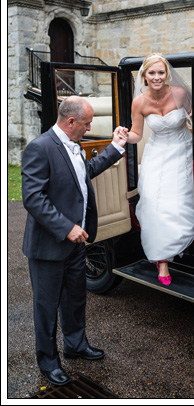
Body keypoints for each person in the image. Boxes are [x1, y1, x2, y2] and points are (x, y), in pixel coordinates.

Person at [21, 95, 128, 387]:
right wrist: (66, 227)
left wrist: (116, 146)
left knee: (75, 298)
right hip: (49, 245)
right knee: (46, 306)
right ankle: (48, 362)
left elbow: (85, 174)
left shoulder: (75, 146)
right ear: (70, 122)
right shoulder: (40, 147)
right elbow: (32, 197)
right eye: (87, 122)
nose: (89, 127)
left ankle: (76, 345)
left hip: (76, 244)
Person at [116, 53, 194, 285]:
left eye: (161, 72)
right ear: (144, 75)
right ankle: (162, 259)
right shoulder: (139, 102)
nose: (157, 77)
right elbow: (137, 134)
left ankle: (192, 244)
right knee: (152, 199)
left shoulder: (181, 93)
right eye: (152, 73)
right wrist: (123, 136)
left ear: (167, 74)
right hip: (157, 154)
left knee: (182, 198)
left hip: (182, 150)